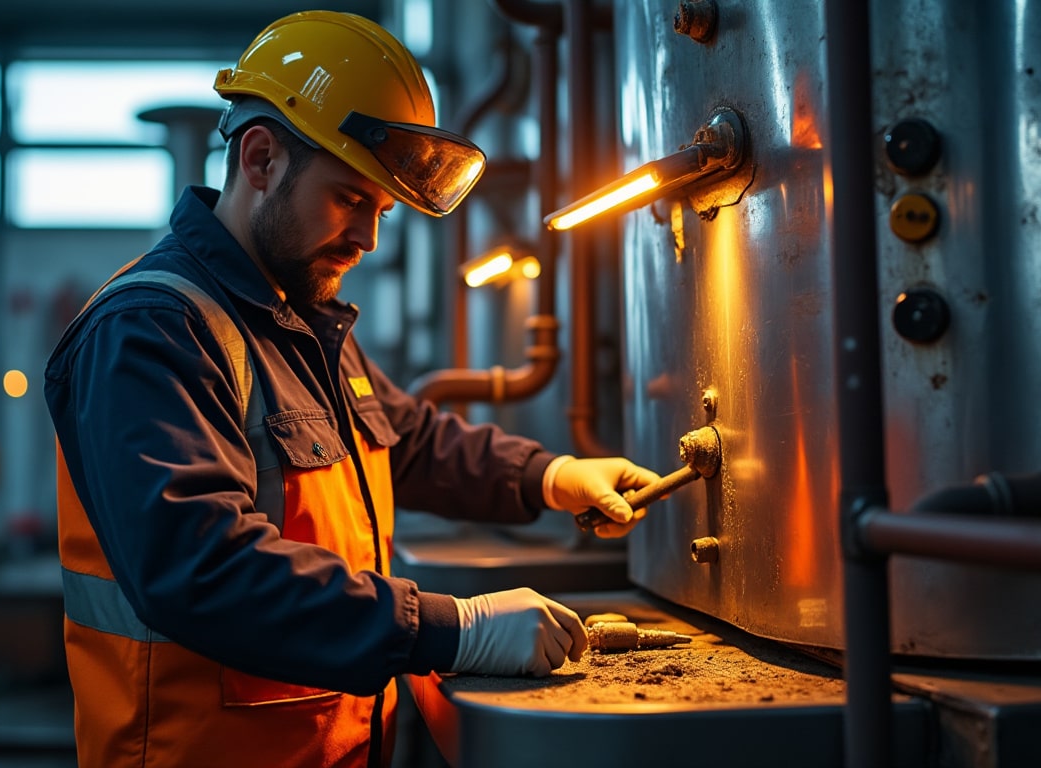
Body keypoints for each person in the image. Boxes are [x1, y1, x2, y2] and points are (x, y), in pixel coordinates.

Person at [44, 10, 661, 768]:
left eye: (382, 211)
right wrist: (449, 628)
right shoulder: (151, 330)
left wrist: (549, 476)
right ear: (261, 158)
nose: (369, 239)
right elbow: (199, 569)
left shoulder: (296, 314)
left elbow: (406, 437)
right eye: (351, 199)